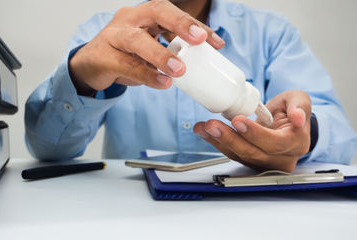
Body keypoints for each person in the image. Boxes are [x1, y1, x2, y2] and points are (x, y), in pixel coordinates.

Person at [25, 0, 357, 172]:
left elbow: (341, 137)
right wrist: (81, 78)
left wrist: (303, 134)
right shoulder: (103, 33)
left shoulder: (271, 33)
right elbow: (48, 151)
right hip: (132, 226)